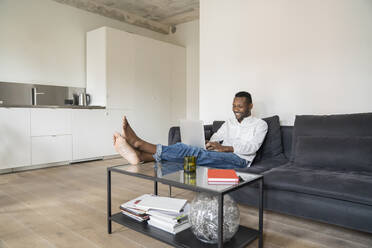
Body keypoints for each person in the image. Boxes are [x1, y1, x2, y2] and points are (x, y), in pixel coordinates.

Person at [113, 91, 268, 169]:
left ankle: (140, 145)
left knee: (193, 154)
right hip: (220, 153)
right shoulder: (229, 122)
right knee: (190, 149)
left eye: (240, 106)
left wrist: (224, 148)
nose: (236, 109)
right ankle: (142, 156)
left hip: (239, 159)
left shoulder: (260, 124)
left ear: (250, 106)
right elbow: (216, 135)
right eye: (234, 106)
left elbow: (252, 147)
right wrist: (209, 142)